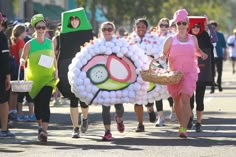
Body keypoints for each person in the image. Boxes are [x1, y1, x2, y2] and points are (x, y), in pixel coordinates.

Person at [160, 9, 208, 138]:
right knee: (177, 100)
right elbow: (164, 54)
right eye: (179, 24)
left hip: (190, 72)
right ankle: (181, 124)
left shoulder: (193, 38)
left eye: (184, 23)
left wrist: (202, 53)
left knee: (186, 98)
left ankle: (183, 128)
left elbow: (196, 51)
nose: (181, 26)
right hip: (175, 74)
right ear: (176, 25)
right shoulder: (170, 40)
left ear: (188, 25)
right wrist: (162, 57)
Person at [20, 14, 59, 143]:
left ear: (46, 28)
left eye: (43, 27)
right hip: (34, 79)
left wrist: (56, 71)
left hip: (48, 78)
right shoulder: (29, 44)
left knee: (45, 103)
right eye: (39, 27)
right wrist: (21, 61)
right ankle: (40, 126)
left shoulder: (50, 43)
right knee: (38, 106)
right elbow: (23, 58)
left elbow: (53, 58)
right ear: (34, 29)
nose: (41, 30)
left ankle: (45, 131)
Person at [126, 18, 169, 132]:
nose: (141, 29)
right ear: (135, 28)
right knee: (137, 99)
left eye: (143, 27)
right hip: (135, 73)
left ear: (147, 28)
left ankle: (150, 108)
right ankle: (140, 124)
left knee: (149, 93)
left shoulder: (154, 39)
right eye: (138, 27)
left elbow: (159, 53)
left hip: (150, 71)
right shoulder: (129, 40)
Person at [57, 9, 93, 138]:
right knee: (73, 99)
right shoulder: (64, 35)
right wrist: (57, 68)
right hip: (68, 66)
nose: (73, 21)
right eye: (71, 19)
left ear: (80, 20)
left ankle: (85, 118)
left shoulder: (88, 33)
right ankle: (75, 128)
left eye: (76, 18)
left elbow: (92, 51)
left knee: (83, 100)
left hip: (84, 67)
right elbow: (61, 51)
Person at [188, 19, 214, 132]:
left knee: (200, 98)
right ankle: (189, 117)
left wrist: (208, 25)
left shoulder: (205, 37)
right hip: (188, 73)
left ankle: (198, 122)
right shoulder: (186, 38)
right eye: (194, 27)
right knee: (189, 99)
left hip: (202, 74)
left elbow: (210, 52)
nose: (196, 29)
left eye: (198, 26)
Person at [9, 24, 36, 122]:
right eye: (25, 31)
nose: (26, 33)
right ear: (21, 32)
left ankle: (15, 112)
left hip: (12, 68)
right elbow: (22, 57)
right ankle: (21, 113)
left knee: (14, 92)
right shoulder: (20, 42)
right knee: (23, 92)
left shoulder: (13, 41)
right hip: (20, 68)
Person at [0, 12, 15, 138]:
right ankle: (4, 129)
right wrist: (8, 75)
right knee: (4, 101)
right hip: (1, 74)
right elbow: (5, 58)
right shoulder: (2, 37)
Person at [209, 21, 227, 93]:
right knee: (212, 72)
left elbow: (224, 46)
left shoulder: (220, 35)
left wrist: (225, 55)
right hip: (211, 56)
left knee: (220, 71)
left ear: (216, 27)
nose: (213, 29)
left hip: (219, 55)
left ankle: (219, 85)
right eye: (211, 27)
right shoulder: (208, 34)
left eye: (214, 27)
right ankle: (212, 87)